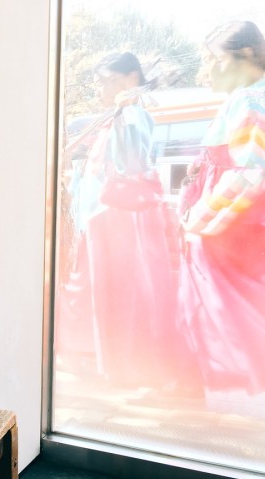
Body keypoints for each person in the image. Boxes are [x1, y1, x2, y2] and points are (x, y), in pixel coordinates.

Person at [57, 52, 184, 391]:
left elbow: (132, 164)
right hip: (105, 216)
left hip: (115, 217)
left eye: (106, 80)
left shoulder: (131, 115)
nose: (100, 87)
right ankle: (95, 355)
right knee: (97, 285)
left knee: (113, 287)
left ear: (128, 79)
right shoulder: (122, 115)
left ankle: (118, 361)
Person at [178, 21, 265, 395]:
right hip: (235, 228)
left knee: (233, 314)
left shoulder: (248, 101)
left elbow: (252, 170)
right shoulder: (247, 99)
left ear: (245, 55)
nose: (206, 70)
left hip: (227, 234)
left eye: (214, 59)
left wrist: (201, 218)